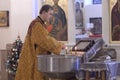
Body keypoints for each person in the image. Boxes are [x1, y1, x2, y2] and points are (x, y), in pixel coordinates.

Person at [14, 4, 65, 80]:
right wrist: (59, 45)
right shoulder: (36, 25)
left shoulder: (41, 24)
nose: (51, 17)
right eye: (50, 14)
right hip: (32, 59)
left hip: (38, 58)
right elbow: (45, 40)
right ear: (44, 12)